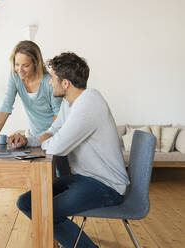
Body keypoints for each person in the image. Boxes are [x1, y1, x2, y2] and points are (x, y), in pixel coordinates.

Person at [8, 52, 130, 248]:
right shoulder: (69, 103)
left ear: (65, 83)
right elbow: (52, 133)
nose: (49, 83)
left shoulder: (90, 102)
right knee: (26, 202)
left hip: (107, 185)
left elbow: (57, 147)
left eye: (53, 79)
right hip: (84, 178)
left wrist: (50, 140)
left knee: (44, 211)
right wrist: (27, 140)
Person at [0, 40, 62, 144]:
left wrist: (48, 136)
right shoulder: (15, 77)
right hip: (35, 139)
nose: (20, 70)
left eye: (25, 65)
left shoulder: (49, 82)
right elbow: (6, 106)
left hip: (54, 136)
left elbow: (58, 113)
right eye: (17, 64)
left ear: (35, 63)